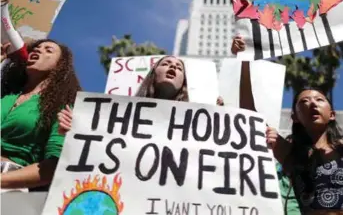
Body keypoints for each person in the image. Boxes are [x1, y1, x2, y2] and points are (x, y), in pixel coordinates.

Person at [58, 36, 256, 134]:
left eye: (179, 67)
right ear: (152, 75)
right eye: (166, 64)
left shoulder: (199, 119)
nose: (173, 67)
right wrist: (77, 129)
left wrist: (220, 119)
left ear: (184, 83)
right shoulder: (120, 116)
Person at [0, 39, 81, 190]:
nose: (38, 50)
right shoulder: (6, 95)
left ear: (60, 66)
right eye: (36, 48)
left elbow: (53, 166)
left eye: (48, 50)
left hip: (9, 186)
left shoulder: (62, 106)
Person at [266, 88, 343, 214]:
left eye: (319, 100)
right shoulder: (292, 154)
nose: (313, 103)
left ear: (332, 115)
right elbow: (252, 115)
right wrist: (224, 109)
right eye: (304, 101)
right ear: (294, 117)